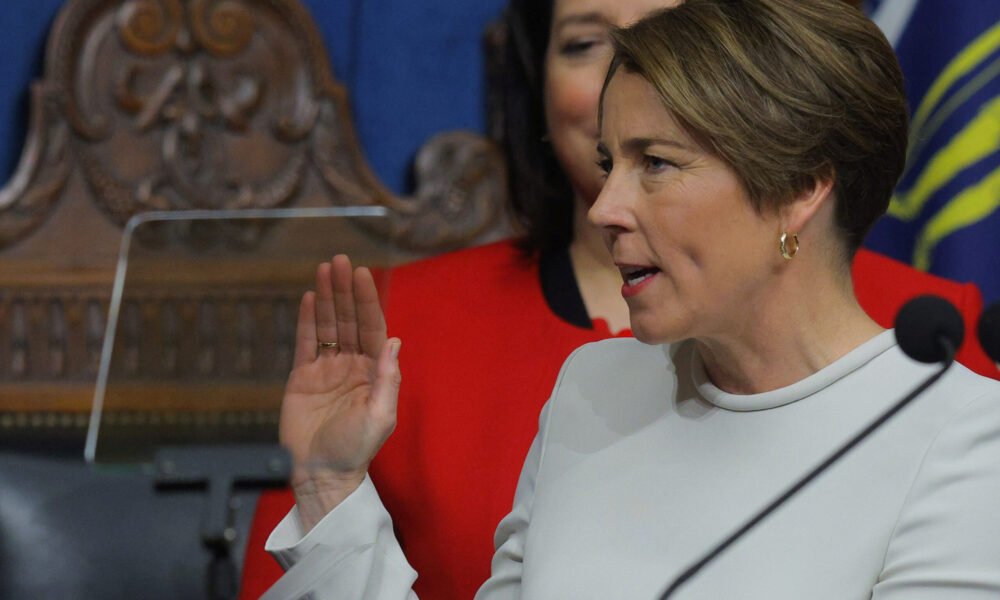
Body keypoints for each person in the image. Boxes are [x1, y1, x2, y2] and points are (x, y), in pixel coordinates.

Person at [238, 0, 999, 597]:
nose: (606, 206)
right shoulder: (594, 388)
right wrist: (333, 486)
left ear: (801, 189)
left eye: (656, 164)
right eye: (610, 162)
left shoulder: (963, 442)